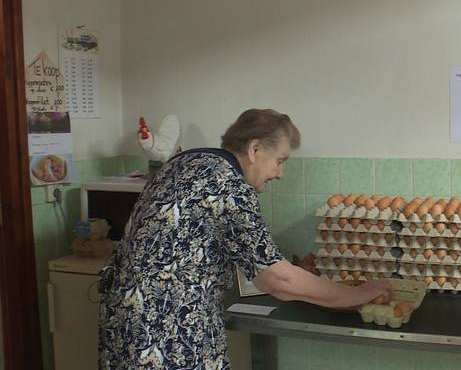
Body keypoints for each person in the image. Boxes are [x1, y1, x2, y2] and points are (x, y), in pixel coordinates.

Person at [98, 108, 391, 369]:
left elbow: (196, 244)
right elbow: (278, 281)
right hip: (169, 333)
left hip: (124, 324)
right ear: (254, 149)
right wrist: (355, 295)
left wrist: (297, 270)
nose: (280, 173)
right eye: (279, 160)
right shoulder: (229, 184)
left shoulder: (184, 163)